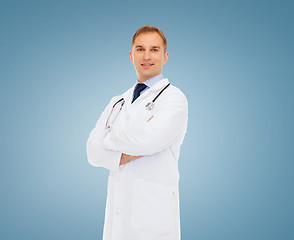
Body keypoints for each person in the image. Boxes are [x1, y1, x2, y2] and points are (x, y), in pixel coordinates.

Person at [86, 26, 188, 240]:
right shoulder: (118, 101)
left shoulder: (174, 99)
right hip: (117, 223)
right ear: (132, 56)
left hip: (153, 221)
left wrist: (109, 139)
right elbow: (93, 152)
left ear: (165, 56)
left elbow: (147, 141)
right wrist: (122, 153)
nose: (147, 56)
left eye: (154, 49)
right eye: (140, 49)